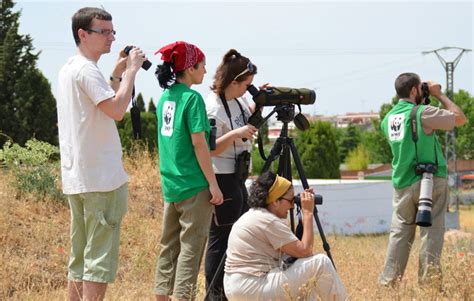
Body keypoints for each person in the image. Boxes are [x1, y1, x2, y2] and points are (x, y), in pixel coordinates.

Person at [56, 7, 146, 301]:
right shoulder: (86, 70)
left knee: (80, 258)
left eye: (112, 31)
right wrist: (132, 70)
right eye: (103, 32)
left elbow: (103, 102)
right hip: (102, 179)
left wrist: (118, 73)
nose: (111, 37)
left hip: (79, 177)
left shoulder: (70, 68)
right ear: (83, 34)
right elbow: (118, 110)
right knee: (98, 260)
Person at [379, 72, 466, 286]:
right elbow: (459, 118)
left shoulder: (387, 119)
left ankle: (388, 284)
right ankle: (429, 287)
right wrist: (439, 94)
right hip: (430, 181)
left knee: (399, 235)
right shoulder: (423, 113)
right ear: (414, 91)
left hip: (402, 184)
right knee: (431, 233)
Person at [153, 41, 224, 301]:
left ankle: (161, 296)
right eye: (202, 66)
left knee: (168, 247)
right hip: (194, 185)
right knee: (191, 251)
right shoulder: (192, 98)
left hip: (171, 184)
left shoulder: (165, 97)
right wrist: (213, 185)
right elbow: (198, 143)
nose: (205, 72)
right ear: (190, 68)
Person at [223, 171, 347, 301]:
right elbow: (305, 251)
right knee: (320, 263)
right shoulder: (268, 220)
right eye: (291, 200)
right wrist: (308, 213)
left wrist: (302, 219)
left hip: (239, 286)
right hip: (252, 285)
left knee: (306, 284)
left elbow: (293, 253)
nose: (293, 205)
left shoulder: (255, 215)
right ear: (276, 201)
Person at [204, 49, 258, 300]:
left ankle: (230, 289)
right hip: (222, 176)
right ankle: (214, 293)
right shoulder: (213, 107)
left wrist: (260, 101)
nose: (247, 90)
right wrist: (237, 134)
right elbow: (210, 149)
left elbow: (246, 121)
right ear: (233, 81)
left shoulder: (238, 101)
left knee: (236, 235)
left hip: (238, 175)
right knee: (220, 238)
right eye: (246, 85)